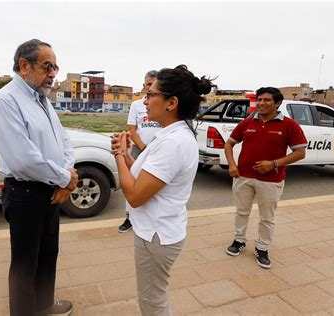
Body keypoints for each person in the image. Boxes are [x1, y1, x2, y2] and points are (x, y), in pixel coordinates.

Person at [111, 65, 212, 316]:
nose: (145, 101)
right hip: (160, 230)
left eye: (151, 94)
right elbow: (146, 176)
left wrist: (117, 157)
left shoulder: (172, 143)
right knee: (155, 295)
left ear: (171, 103)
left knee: (152, 299)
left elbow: (134, 195)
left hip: (156, 235)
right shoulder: (171, 135)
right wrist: (125, 154)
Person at [0, 39, 77, 316]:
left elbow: (64, 141)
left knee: (48, 255)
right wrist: (64, 178)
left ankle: (45, 307)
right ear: (24, 65)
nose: (53, 74)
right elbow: (23, 159)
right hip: (25, 194)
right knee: (25, 265)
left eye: (55, 67)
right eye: (47, 66)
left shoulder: (42, 100)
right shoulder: (6, 101)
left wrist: (65, 178)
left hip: (51, 191)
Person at [224, 87, 307, 269]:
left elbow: (300, 152)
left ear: (278, 103)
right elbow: (229, 144)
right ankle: (239, 241)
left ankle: (262, 248)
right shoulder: (247, 122)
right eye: (259, 99)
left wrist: (274, 163)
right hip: (243, 177)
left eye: (267, 100)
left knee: (267, 217)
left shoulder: (289, 125)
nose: (261, 103)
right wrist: (232, 165)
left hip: (271, 180)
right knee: (241, 212)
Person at [118, 70, 162, 233]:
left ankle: (149, 218)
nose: (150, 88)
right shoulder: (137, 105)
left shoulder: (161, 105)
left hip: (158, 150)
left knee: (152, 185)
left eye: (154, 85)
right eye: (148, 85)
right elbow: (132, 129)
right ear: (144, 86)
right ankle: (129, 218)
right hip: (139, 149)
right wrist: (144, 148)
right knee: (131, 182)